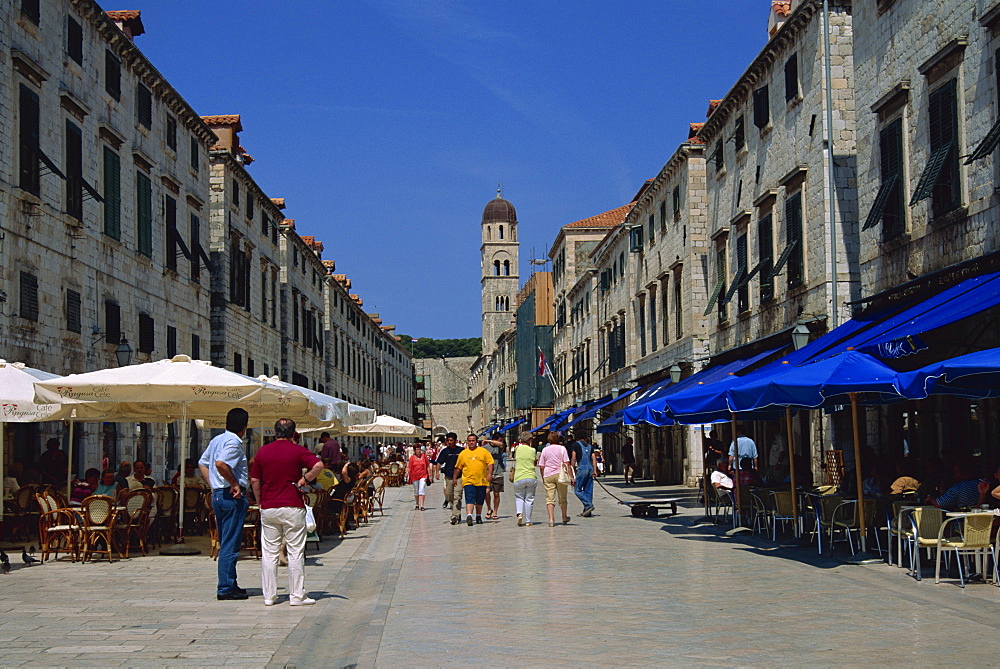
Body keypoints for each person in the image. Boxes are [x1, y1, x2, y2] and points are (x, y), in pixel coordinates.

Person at [250, 418, 324, 607]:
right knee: (295, 552)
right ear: (293, 433)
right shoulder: (298, 450)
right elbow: (318, 465)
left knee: (269, 552)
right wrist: (305, 479)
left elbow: (255, 480)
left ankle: (269, 596)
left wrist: (259, 501)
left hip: (269, 506)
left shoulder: (263, 451)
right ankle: (297, 596)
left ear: (274, 432)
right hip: (292, 505)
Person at [199, 407, 250, 601]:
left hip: (218, 495)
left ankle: (230, 581)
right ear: (244, 427)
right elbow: (221, 464)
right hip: (230, 496)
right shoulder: (233, 442)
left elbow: (203, 463)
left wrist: (213, 485)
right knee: (230, 543)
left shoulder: (217, 440)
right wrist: (234, 483)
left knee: (225, 541)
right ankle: (226, 587)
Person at [452, 434, 495, 526]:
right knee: (470, 498)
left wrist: (490, 474)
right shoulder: (463, 454)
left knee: (479, 500)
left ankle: (478, 516)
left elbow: (490, 463)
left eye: (473, 440)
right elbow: (458, 467)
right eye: (470, 440)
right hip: (468, 480)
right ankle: (469, 516)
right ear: (467, 442)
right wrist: (454, 478)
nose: (471, 442)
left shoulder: (483, 452)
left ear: (476, 441)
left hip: (481, 480)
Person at [538, 432, 572, 527]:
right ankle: (564, 516)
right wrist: (571, 477)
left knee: (550, 498)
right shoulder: (562, 449)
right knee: (563, 497)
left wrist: (543, 476)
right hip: (560, 474)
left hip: (548, 474)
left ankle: (551, 519)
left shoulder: (545, 450)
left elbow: (541, 466)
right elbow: (567, 464)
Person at [510, 431, 539, 526]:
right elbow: (534, 462)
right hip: (531, 476)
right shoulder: (533, 450)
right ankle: (528, 520)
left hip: (519, 477)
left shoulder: (517, 448)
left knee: (519, 497)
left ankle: (520, 514)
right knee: (529, 499)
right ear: (530, 440)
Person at [435, 433, 464, 522]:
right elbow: (439, 462)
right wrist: (437, 472)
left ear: (455, 441)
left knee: (458, 495)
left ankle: (455, 515)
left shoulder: (461, 450)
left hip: (459, 476)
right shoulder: (444, 451)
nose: (449, 442)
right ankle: (455, 512)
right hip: (448, 476)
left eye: (451, 440)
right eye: (448, 440)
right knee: (450, 495)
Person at [570, 433, 597, 517]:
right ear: (585, 438)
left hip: (582, 468)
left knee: (577, 490)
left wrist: (572, 468)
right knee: (588, 490)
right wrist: (595, 470)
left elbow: (574, 457)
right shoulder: (590, 446)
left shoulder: (575, 445)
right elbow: (594, 459)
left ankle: (588, 505)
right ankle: (587, 512)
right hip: (590, 469)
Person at [483, 435, 506, 520]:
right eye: (500, 439)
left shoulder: (500, 447)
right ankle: (489, 508)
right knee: (487, 492)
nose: (501, 441)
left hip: (498, 472)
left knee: (496, 493)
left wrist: (488, 441)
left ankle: (495, 511)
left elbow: (501, 444)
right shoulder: (485, 448)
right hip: (487, 472)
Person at [407, 443, 431, 511]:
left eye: (419, 449)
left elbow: (428, 466)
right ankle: (417, 504)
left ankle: (422, 505)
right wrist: (407, 473)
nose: (419, 451)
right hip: (414, 476)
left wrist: (430, 475)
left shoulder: (424, 456)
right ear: (414, 450)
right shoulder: (412, 458)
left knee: (421, 489)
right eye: (417, 449)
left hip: (423, 475)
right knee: (416, 490)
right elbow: (409, 466)